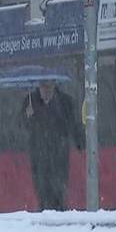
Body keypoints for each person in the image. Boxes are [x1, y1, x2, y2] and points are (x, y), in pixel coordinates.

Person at [22, 80, 83, 211]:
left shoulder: (65, 102)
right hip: (38, 156)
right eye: (43, 86)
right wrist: (27, 117)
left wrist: (81, 144)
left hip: (59, 154)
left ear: (54, 85)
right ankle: (45, 211)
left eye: (48, 86)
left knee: (58, 190)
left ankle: (58, 212)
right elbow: (20, 127)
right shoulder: (30, 101)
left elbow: (73, 125)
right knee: (42, 190)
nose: (45, 90)